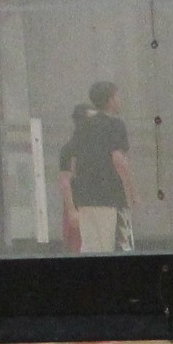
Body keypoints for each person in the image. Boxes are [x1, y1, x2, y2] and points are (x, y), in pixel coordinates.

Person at [65, 82, 132, 253]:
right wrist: (132, 191)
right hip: (107, 194)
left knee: (89, 245)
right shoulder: (115, 125)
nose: (120, 100)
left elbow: (72, 165)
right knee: (110, 246)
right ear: (110, 100)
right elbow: (119, 160)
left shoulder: (82, 127)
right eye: (117, 96)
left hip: (84, 196)